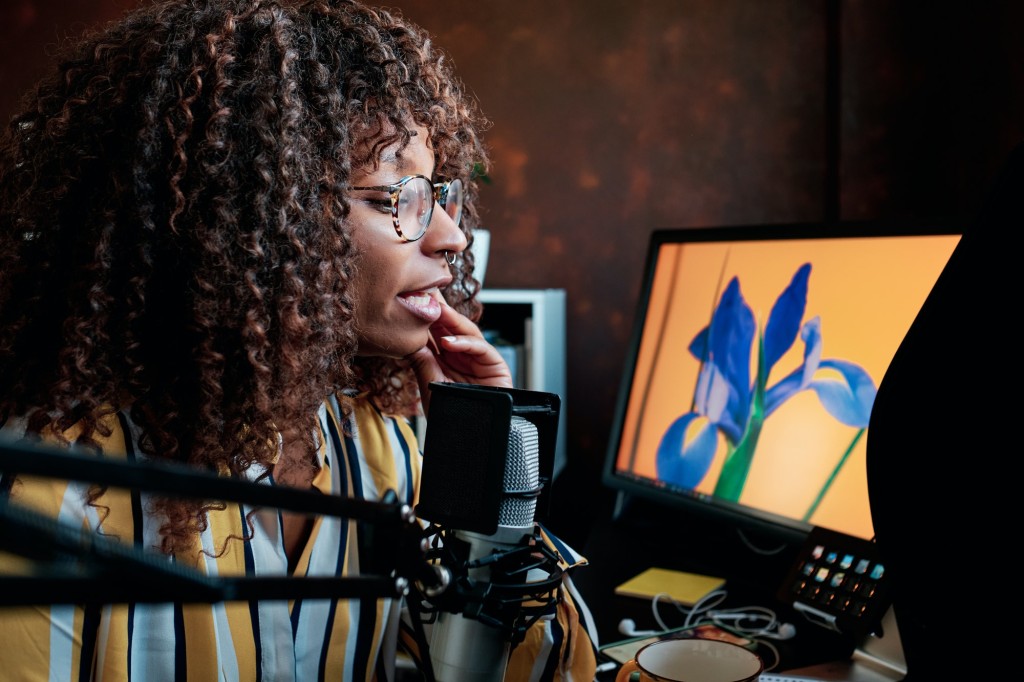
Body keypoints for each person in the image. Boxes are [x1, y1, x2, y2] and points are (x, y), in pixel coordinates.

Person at [0, 0, 598, 679]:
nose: (451, 236)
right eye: (393, 197)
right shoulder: (53, 489)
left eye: (438, 192)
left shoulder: (386, 443)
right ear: (254, 221)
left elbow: (547, 672)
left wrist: (490, 472)